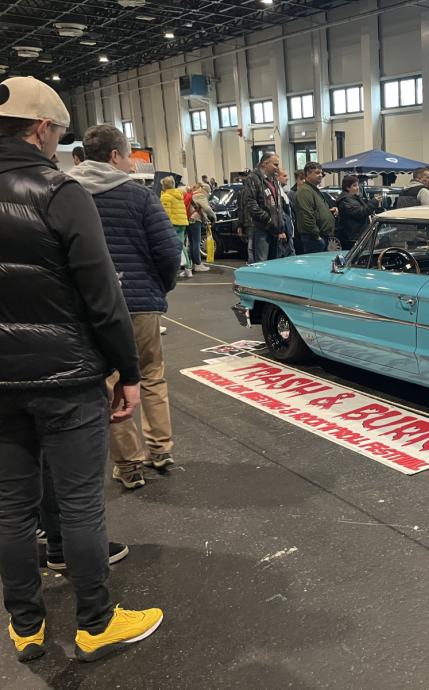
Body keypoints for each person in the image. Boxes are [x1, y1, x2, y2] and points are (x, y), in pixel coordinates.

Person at [0, 75, 163, 663]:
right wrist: (128, 372)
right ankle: (96, 621)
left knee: (11, 509)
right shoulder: (57, 191)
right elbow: (102, 294)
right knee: (80, 503)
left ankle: (25, 626)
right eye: (59, 135)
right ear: (42, 128)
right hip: (66, 377)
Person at [68, 122, 183, 490]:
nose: (132, 163)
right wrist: (158, 288)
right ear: (115, 155)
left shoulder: (66, 193)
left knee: (111, 382)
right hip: (141, 303)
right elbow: (169, 251)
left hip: (94, 306)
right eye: (129, 156)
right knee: (151, 374)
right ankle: (160, 449)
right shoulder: (139, 196)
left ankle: (129, 466)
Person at [241, 152, 284, 262]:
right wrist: (268, 219)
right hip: (261, 228)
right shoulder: (252, 178)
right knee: (262, 263)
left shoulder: (273, 179)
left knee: (274, 262)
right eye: (275, 164)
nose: (277, 168)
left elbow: (278, 204)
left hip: (274, 229)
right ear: (265, 164)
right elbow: (250, 203)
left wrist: (280, 226)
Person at [295, 161, 335, 253]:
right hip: (313, 238)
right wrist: (316, 236)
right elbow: (306, 216)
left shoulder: (314, 190)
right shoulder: (305, 191)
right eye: (317, 173)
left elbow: (317, 211)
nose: (320, 175)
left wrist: (329, 212)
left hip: (321, 236)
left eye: (321, 173)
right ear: (307, 174)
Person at [159, 176, 191, 277]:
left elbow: (166, 214)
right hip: (182, 223)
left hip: (173, 224)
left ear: (164, 185)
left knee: (170, 247)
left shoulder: (165, 196)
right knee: (181, 246)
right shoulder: (179, 194)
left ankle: (172, 270)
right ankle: (188, 269)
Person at [335, 174, 376, 250]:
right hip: (352, 237)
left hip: (356, 235)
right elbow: (361, 212)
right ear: (347, 188)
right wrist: (374, 202)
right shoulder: (346, 200)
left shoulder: (354, 198)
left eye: (357, 185)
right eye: (354, 185)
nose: (358, 188)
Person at [183, 183, 216, 273]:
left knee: (192, 243)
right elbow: (207, 208)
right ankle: (198, 264)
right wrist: (214, 216)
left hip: (189, 219)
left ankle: (192, 263)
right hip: (195, 220)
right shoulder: (201, 195)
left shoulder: (193, 194)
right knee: (196, 243)